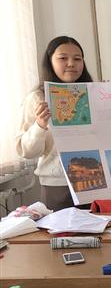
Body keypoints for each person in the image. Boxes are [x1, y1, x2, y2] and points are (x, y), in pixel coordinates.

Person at [15, 36, 93, 210]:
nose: (71, 64)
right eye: (63, 58)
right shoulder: (37, 98)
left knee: (100, 226)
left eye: (77, 59)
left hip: (96, 180)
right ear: (50, 61)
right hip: (58, 185)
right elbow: (26, 151)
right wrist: (40, 126)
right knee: (62, 228)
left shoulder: (93, 94)